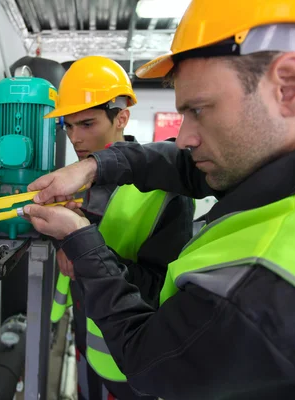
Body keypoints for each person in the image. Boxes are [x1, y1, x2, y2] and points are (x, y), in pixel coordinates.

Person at [23, 1, 295, 399]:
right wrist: (94, 168)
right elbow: (178, 165)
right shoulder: (294, 178)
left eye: (198, 109)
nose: (184, 138)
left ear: (290, 86)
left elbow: (147, 357)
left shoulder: (262, 290)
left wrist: (84, 244)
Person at [46, 56, 194, 400]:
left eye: (86, 124)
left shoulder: (166, 195)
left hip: (130, 368)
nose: (75, 139)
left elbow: (162, 290)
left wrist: (85, 252)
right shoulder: (77, 177)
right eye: (68, 127)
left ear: (121, 118)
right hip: (86, 341)